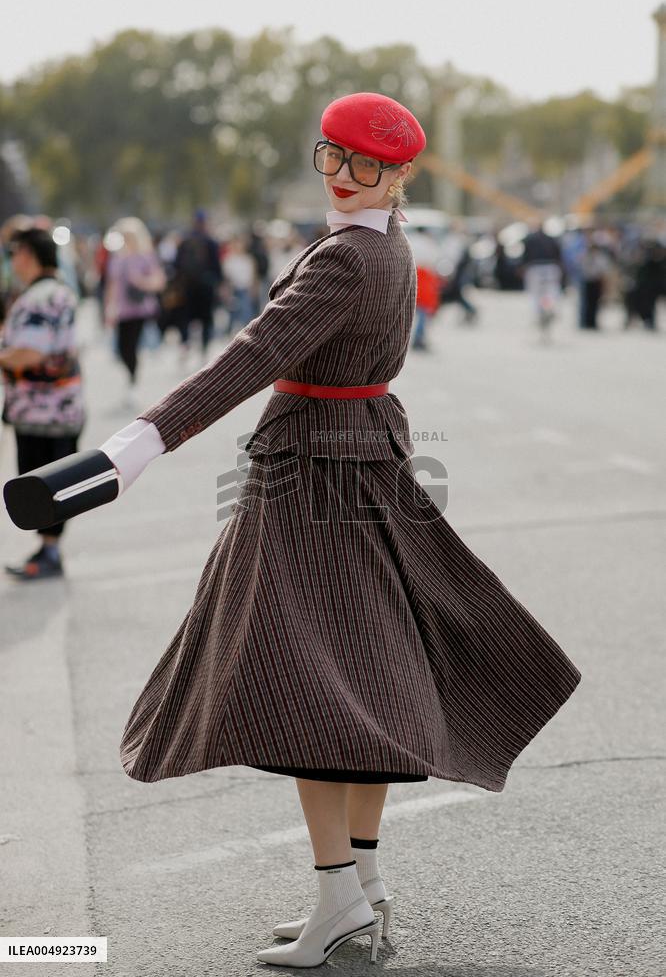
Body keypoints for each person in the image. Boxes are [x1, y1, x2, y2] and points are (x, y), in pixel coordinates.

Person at [42, 93, 581, 967]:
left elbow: (249, 358)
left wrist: (130, 448)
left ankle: (342, 900)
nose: (342, 174)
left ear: (400, 174)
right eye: (331, 155)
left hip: (309, 475)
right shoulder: (389, 244)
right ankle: (359, 898)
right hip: (359, 462)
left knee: (308, 688)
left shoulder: (348, 259)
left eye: (365, 165)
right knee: (358, 682)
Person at [1, 227, 85, 579]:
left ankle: (49, 554)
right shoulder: (59, 291)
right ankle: (48, 550)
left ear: (29, 255)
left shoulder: (37, 298)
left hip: (42, 411)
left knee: (42, 486)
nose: (11, 259)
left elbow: (29, 353)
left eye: (15, 252)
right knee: (53, 485)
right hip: (60, 408)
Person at [104, 217, 165, 408]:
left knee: (132, 347)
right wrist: (109, 309)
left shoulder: (146, 256)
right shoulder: (117, 259)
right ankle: (131, 377)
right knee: (122, 349)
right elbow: (112, 285)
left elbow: (158, 281)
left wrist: (140, 281)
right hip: (123, 310)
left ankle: (132, 383)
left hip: (140, 309)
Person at [172, 210, 223, 361]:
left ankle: (185, 344)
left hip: (187, 287)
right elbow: (217, 267)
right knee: (206, 320)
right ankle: (204, 349)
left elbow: (176, 265)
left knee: (185, 318)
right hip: (206, 288)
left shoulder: (185, 241)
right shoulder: (211, 242)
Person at [520, 221, 565, 331]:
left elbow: (525, 256)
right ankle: (550, 307)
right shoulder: (552, 240)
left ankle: (538, 313)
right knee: (552, 291)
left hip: (534, 268)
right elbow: (559, 256)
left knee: (535, 294)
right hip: (551, 267)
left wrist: (522, 267)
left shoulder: (530, 239)